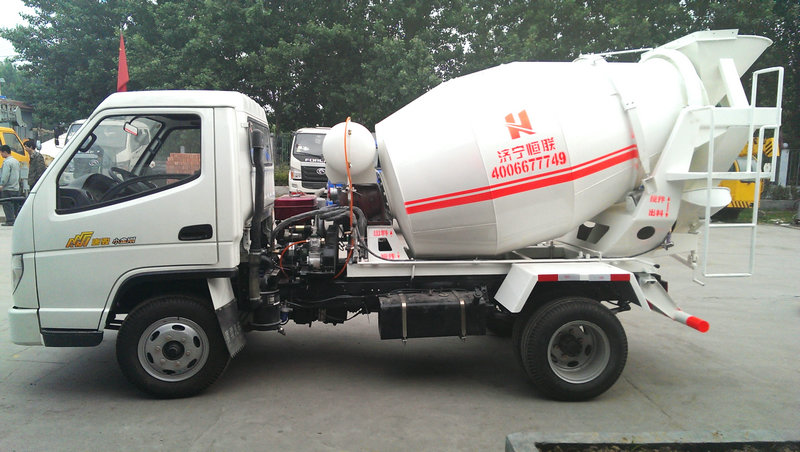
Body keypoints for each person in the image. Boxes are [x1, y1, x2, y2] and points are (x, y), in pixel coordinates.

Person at [0, 144, 22, 226]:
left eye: (1, 153)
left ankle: (10, 220)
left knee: (7, 205)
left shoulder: (7, 162)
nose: (1, 154)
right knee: (15, 205)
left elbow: (5, 175)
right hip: (16, 187)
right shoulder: (16, 161)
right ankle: (16, 220)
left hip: (7, 188)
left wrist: (2, 184)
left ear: (5, 152)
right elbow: (19, 174)